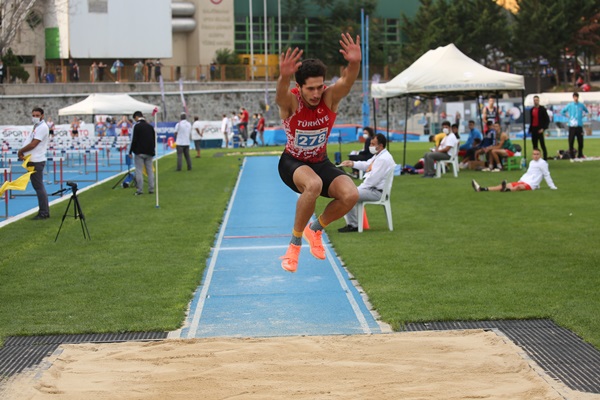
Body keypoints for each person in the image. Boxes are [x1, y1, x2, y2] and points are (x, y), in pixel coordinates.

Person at [277, 32, 361, 273]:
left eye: (319, 87)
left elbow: (346, 83)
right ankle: (293, 246)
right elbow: (280, 96)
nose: (316, 94)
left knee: (350, 195)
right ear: (299, 87)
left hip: (319, 161)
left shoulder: (328, 98)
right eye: (310, 89)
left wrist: (354, 63)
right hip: (292, 163)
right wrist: (283, 77)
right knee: (312, 185)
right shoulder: (292, 102)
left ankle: (315, 228)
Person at [337, 133, 395, 232]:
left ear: (380, 146)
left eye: (373, 144)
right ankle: (353, 223)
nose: (370, 146)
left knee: (348, 194)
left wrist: (357, 189)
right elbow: (367, 165)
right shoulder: (379, 155)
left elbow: (373, 180)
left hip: (377, 192)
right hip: (372, 189)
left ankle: (353, 225)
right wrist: (352, 164)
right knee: (347, 192)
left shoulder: (383, 159)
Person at [472, 149, 556, 192]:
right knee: (505, 185)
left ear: (540, 155)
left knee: (518, 187)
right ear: (532, 155)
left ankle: (507, 190)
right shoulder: (531, 162)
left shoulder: (543, 163)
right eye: (534, 154)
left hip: (531, 184)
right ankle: (482, 189)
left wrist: (552, 186)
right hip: (524, 180)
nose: (536, 156)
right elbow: (529, 173)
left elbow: (546, 174)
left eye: (537, 154)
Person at [18, 107, 50, 219]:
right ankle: (44, 211)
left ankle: (44, 212)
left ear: (42, 116)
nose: (35, 117)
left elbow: (33, 144)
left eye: (37, 115)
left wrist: (21, 151)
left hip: (36, 161)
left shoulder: (42, 127)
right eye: (34, 115)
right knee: (38, 186)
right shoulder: (37, 126)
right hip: (33, 160)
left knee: (39, 187)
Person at [129, 111, 156, 195]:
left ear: (136, 117)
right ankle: (151, 188)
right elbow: (153, 139)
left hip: (139, 152)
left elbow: (133, 139)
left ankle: (140, 190)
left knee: (139, 171)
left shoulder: (136, 126)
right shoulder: (150, 127)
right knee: (150, 171)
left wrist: (130, 151)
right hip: (149, 151)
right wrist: (153, 150)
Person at [561, 92, 589, 159]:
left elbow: (587, 111)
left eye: (577, 97)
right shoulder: (570, 105)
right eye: (575, 97)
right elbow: (562, 111)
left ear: (578, 97)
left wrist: (582, 116)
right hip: (572, 125)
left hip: (579, 125)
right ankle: (572, 154)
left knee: (580, 141)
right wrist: (567, 116)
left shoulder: (581, 105)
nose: (576, 98)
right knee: (571, 141)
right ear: (573, 97)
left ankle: (580, 154)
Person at [529, 95, 550, 160]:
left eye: (537, 100)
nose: (536, 101)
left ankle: (545, 158)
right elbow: (531, 120)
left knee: (542, 144)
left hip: (540, 128)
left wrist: (543, 128)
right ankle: (536, 158)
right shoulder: (532, 109)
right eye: (534, 100)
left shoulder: (542, 109)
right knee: (534, 145)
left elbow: (547, 120)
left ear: (539, 101)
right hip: (534, 129)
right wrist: (530, 129)